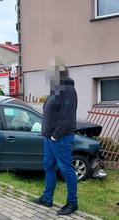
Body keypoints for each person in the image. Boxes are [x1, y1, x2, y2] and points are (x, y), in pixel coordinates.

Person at [34, 67, 79, 215]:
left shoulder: (68, 90)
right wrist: (48, 135)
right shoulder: (56, 90)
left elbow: (67, 117)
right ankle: (47, 198)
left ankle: (72, 203)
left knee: (66, 169)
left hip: (61, 137)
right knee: (49, 167)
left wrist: (55, 136)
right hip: (49, 137)